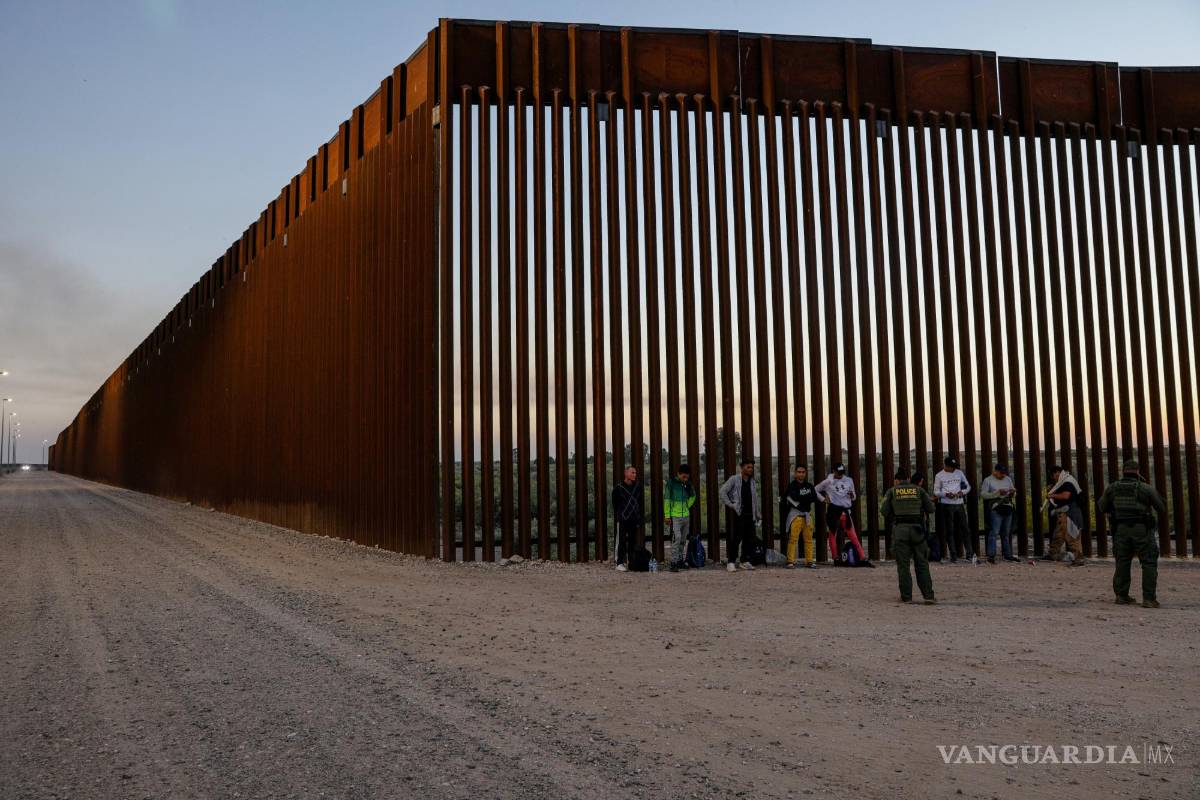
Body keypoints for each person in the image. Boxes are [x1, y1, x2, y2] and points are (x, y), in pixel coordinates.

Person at [1098, 460, 1166, 607]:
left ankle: (1121, 596)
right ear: (1137, 471)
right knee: (1148, 562)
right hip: (1141, 529)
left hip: (1121, 530)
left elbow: (1102, 507)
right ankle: (1148, 599)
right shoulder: (1145, 488)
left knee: (1122, 561)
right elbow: (1161, 507)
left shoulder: (1112, 488)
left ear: (1123, 471)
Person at [882, 468, 937, 604]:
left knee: (903, 565)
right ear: (908, 477)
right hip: (917, 530)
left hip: (900, 530)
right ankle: (928, 596)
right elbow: (931, 509)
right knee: (922, 564)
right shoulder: (919, 490)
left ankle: (907, 597)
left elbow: (884, 511)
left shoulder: (892, 491)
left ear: (896, 480)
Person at [815, 463, 867, 565]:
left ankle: (862, 557)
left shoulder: (849, 480)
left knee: (853, 535)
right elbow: (815, 489)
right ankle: (835, 558)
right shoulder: (828, 482)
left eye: (842, 473)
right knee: (832, 534)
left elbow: (854, 497)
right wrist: (823, 499)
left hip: (846, 510)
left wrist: (852, 495)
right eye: (838, 473)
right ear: (833, 471)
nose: (840, 475)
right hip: (834, 510)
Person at [720, 458, 761, 572]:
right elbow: (722, 491)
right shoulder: (734, 479)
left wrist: (757, 513)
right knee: (736, 538)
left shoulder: (752, 481)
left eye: (752, 467)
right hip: (739, 514)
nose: (750, 469)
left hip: (750, 514)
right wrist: (731, 505)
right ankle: (731, 562)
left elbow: (754, 499)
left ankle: (744, 561)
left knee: (750, 538)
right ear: (741, 468)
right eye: (748, 467)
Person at [933, 456, 973, 562]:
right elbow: (936, 491)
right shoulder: (939, 475)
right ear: (946, 466)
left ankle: (969, 554)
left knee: (965, 529)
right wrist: (946, 494)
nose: (954, 469)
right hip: (947, 504)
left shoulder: (959, 473)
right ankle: (953, 555)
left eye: (955, 467)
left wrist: (962, 492)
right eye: (952, 467)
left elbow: (968, 486)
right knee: (949, 530)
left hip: (959, 503)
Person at [1045, 465, 1085, 566]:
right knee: (1059, 534)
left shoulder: (1068, 482)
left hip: (1071, 513)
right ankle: (1053, 554)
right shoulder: (1065, 481)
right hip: (1065, 512)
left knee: (1072, 535)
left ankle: (1078, 559)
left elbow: (1065, 496)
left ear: (1057, 473)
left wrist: (1051, 495)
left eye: (1053, 476)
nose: (1054, 478)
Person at [980, 463, 1019, 563]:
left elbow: (1013, 494)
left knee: (1006, 533)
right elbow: (983, 495)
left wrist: (1013, 492)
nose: (1003, 475)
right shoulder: (987, 480)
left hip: (1007, 507)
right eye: (1001, 473)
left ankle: (1008, 555)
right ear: (995, 471)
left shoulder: (1008, 479)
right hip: (996, 508)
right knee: (994, 532)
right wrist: (997, 493)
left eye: (1004, 473)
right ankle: (991, 555)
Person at [781, 465, 818, 568]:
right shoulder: (792, 485)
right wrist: (806, 497)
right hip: (796, 515)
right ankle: (790, 561)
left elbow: (814, 497)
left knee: (809, 539)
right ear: (795, 473)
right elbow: (792, 497)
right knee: (793, 539)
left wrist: (801, 498)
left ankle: (809, 561)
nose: (801, 474)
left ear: (805, 473)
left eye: (803, 472)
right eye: (799, 472)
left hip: (807, 515)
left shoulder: (809, 485)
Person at [664, 464, 697, 572]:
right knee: (676, 538)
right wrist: (667, 515)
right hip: (675, 516)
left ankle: (679, 561)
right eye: (683, 476)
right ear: (678, 474)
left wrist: (687, 505)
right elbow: (667, 499)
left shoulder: (688, 483)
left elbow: (693, 496)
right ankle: (673, 563)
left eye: (687, 477)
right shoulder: (671, 483)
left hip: (686, 516)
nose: (685, 479)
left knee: (683, 539)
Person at [611, 465, 643, 572]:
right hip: (623, 519)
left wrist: (639, 517)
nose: (634, 475)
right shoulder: (619, 488)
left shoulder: (637, 486)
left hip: (634, 519)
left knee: (633, 541)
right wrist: (621, 514)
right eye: (632, 472)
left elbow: (640, 502)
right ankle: (619, 563)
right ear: (626, 473)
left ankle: (631, 562)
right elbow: (615, 504)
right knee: (622, 541)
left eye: (635, 473)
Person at [913, 472, 939, 561]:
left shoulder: (909, 489)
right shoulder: (920, 490)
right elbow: (929, 505)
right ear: (920, 481)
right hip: (920, 517)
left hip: (908, 519)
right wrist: (936, 498)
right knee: (924, 536)